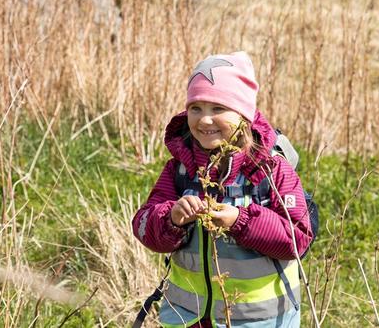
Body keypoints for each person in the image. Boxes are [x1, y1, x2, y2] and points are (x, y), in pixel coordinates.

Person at [132, 51, 313, 328]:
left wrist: (240, 221)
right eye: (196, 108)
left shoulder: (271, 170)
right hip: (187, 317)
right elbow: (144, 227)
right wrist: (172, 218)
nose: (205, 120)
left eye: (218, 109)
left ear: (243, 115)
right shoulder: (179, 170)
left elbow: (297, 239)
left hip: (260, 320)